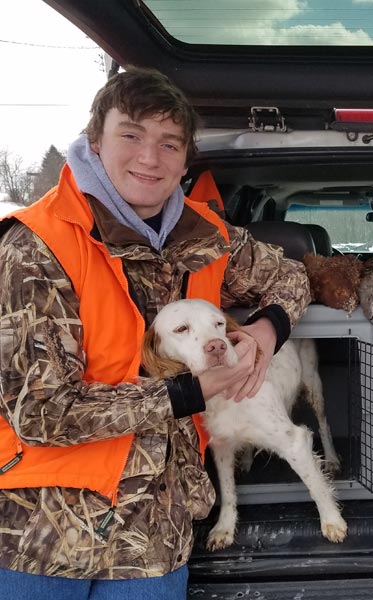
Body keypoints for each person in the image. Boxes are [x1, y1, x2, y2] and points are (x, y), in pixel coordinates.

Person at [0, 67, 311, 598]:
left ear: (186, 159)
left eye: (169, 143)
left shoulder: (206, 234)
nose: (150, 158)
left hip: (158, 529)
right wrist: (190, 392)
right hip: (45, 528)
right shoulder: (35, 248)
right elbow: (41, 412)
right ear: (95, 141)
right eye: (132, 135)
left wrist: (265, 331)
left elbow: (290, 276)